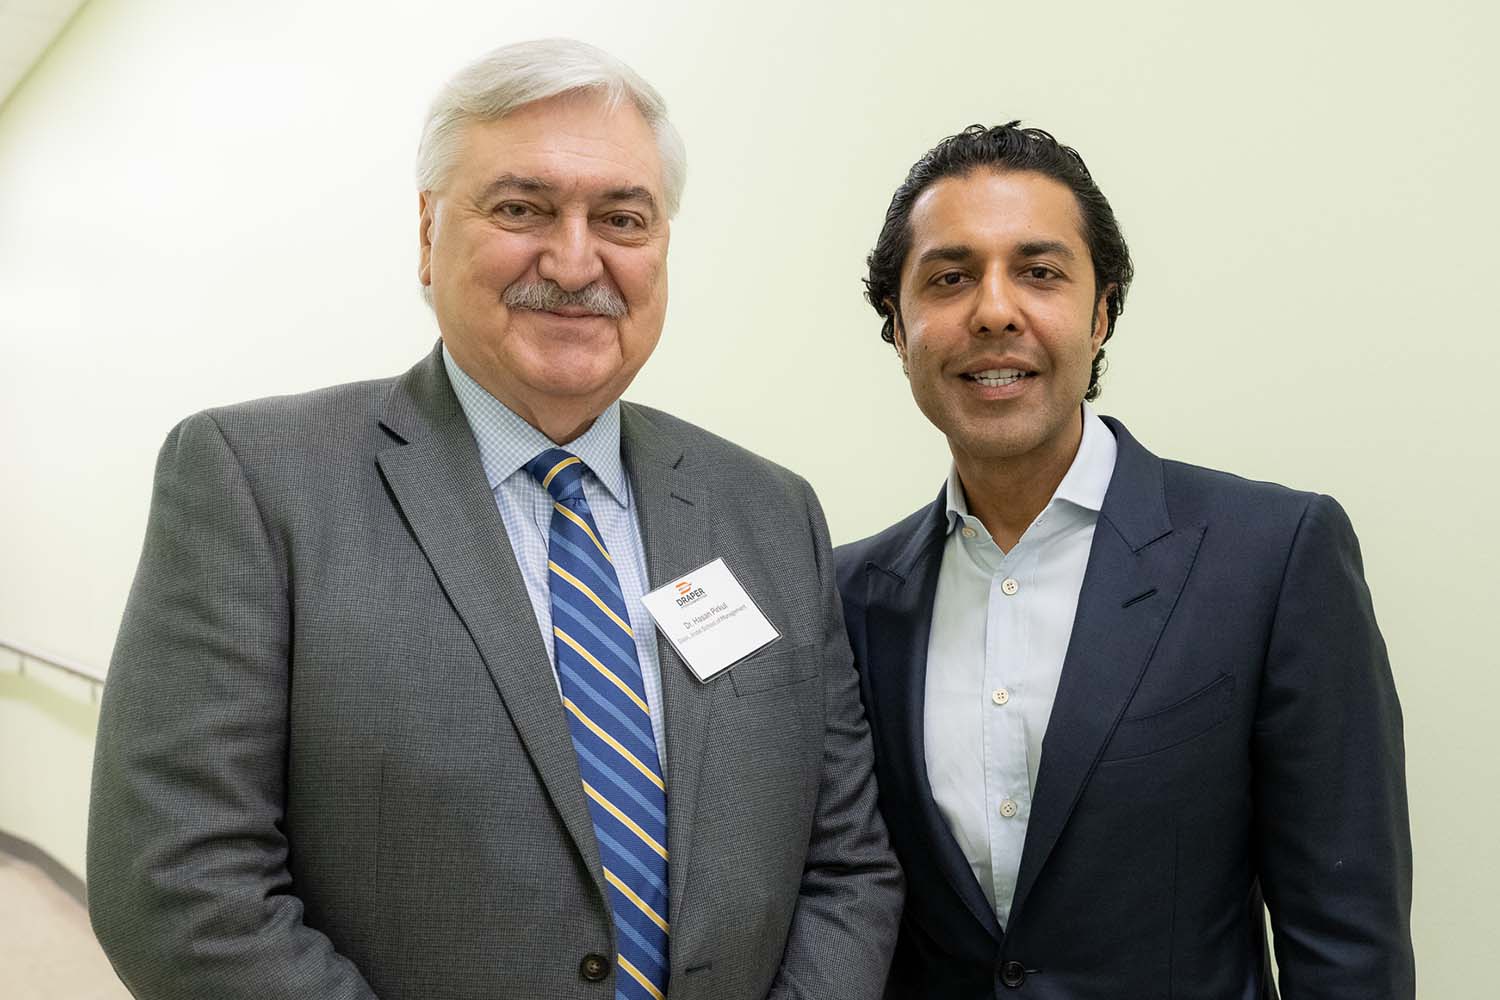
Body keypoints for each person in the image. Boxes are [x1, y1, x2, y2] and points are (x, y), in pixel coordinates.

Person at [88, 39, 900, 1000]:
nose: (575, 260)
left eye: (622, 219)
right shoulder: (255, 482)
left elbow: (845, 866)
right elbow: (181, 885)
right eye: (521, 208)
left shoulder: (770, 511)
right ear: (428, 234)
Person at [835, 123, 1413, 998]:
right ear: (897, 327)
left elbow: (1348, 942)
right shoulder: (849, 598)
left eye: (1039, 272)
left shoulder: (1272, 557)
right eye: (950, 278)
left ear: (1101, 314)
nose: (994, 311)